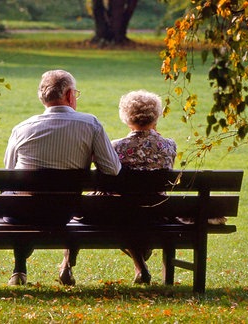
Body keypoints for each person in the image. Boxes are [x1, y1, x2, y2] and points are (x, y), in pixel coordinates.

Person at [3, 69, 121, 286]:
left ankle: (19, 268)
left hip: (23, 214)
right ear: (69, 95)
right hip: (64, 212)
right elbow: (113, 169)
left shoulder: (22, 128)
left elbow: (9, 172)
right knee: (68, 200)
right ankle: (67, 266)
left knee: (17, 195)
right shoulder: (90, 124)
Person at [60, 90, 177, 285]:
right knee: (129, 212)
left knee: (86, 207)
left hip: (115, 212)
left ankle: (67, 262)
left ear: (126, 117)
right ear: (156, 116)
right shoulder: (169, 146)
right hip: (156, 212)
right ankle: (141, 266)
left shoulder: (116, 147)